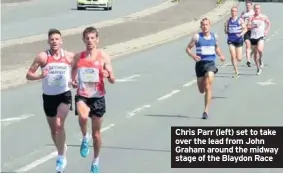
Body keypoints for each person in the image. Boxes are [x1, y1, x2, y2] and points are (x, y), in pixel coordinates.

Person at [26, 29, 74, 173]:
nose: (54, 42)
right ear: (48, 42)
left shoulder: (69, 56)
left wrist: (74, 80)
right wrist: (40, 76)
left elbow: (78, 69)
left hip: (64, 94)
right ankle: (62, 147)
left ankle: (61, 156)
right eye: (52, 39)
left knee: (59, 124)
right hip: (48, 97)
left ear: (61, 41)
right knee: (54, 131)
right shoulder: (42, 57)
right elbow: (28, 75)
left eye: (57, 39)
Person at [71, 26, 115, 173]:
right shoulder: (78, 57)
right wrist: (73, 80)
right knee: (83, 117)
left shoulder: (103, 56)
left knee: (97, 134)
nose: (90, 41)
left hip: (98, 97)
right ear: (83, 40)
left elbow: (113, 78)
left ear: (97, 39)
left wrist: (107, 74)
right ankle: (84, 137)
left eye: (92, 38)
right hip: (82, 95)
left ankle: (95, 160)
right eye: (87, 38)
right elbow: (73, 70)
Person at [186, 18, 225, 119]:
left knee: (208, 85)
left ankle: (206, 111)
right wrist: (193, 56)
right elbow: (188, 49)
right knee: (201, 90)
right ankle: (202, 83)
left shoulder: (214, 37)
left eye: (206, 25)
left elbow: (216, 48)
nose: (205, 27)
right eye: (203, 25)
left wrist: (220, 55)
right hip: (200, 65)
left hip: (210, 63)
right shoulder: (197, 37)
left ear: (210, 26)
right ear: (201, 26)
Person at [248, 4, 271, 75]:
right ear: (254, 9)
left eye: (258, 8)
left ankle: (261, 59)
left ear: (260, 9)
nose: (257, 10)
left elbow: (269, 23)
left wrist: (267, 30)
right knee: (255, 56)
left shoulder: (263, 17)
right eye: (255, 8)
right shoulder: (251, 17)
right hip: (253, 37)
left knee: (260, 50)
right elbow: (248, 27)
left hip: (261, 36)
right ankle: (258, 68)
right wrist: (253, 26)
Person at [225, 6, 247, 78]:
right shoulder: (228, 20)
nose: (233, 12)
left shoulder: (240, 20)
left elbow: (245, 29)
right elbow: (226, 31)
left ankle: (237, 66)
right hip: (231, 40)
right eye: (232, 11)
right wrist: (225, 27)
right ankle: (236, 71)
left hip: (239, 40)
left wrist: (240, 34)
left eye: (234, 11)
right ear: (231, 12)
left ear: (236, 12)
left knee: (239, 58)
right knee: (233, 55)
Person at [241, 1, 255, 67]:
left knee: (253, 47)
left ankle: (251, 56)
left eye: (249, 5)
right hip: (246, 31)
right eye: (247, 5)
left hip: (253, 31)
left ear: (251, 6)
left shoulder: (254, 12)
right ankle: (248, 61)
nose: (248, 6)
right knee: (247, 45)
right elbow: (240, 21)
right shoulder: (243, 14)